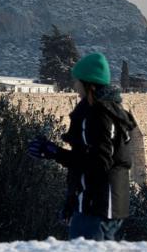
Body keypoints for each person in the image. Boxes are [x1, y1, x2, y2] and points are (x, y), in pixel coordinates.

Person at [28, 52, 137, 241]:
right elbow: (90, 159)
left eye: (77, 81)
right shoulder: (112, 111)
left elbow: (98, 163)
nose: (74, 86)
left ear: (88, 84)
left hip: (97, 206)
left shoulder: (97, 115)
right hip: (108, 204)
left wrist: (56, 153)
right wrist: (72, 203)